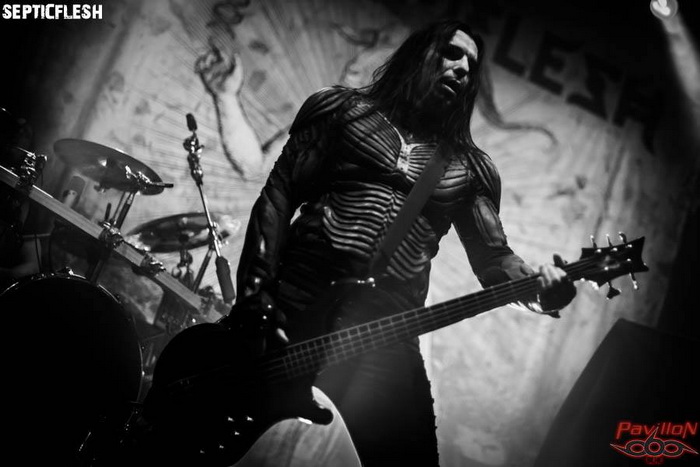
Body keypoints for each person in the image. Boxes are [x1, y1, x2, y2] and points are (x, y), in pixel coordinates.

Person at [232, 19, 576, 466]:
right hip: (294, 304)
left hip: (383, 333)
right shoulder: (341, 112)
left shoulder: (469, 168)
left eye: (471, 65)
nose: (462, 69)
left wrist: (540, 291)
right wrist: (255, 297)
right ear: (418, 56)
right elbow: (279, 196)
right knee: (221, 436)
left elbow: (493, 259)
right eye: (451, 53)